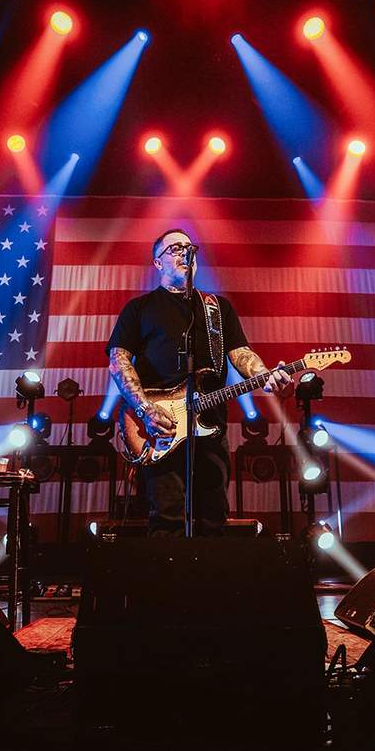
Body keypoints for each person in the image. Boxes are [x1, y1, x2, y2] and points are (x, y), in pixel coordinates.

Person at [107, 228, 292, 535]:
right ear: (157, 263)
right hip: (161, 426)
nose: (184, 252)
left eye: (188, 247)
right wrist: (144, 410)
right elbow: (119, 360)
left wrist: (265, 375)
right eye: (174, 248)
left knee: (213, 514)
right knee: (167, 516)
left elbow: (240, 352)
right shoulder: (139, 309)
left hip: (211, 424)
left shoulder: (217, 308)